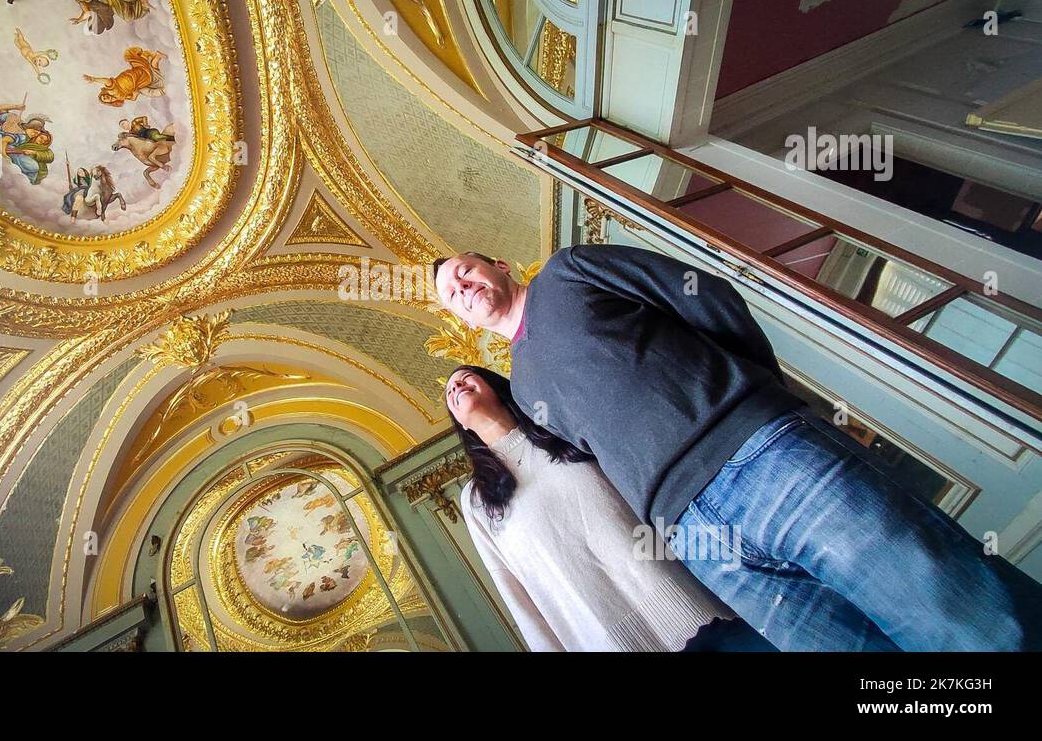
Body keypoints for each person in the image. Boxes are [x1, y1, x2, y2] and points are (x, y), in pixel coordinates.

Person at [434, 245, 1042, 651]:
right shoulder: (525, 385)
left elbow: (706, 297)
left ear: (500, 264)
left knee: (954, 611)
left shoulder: (569, 272)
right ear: (459, 318)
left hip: (763, 457)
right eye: (450, 294)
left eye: (464, 270)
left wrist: (749, 397)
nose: (462, 287)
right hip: (694, 538)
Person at [446, 363, 777, 652]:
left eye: (465, 377)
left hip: (687, 592)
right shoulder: (476, 500)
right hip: (607, 639)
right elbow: (511, 586)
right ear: (459, 423)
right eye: (450, 392)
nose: (457, 386)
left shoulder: (558, 425)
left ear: (493, 384)